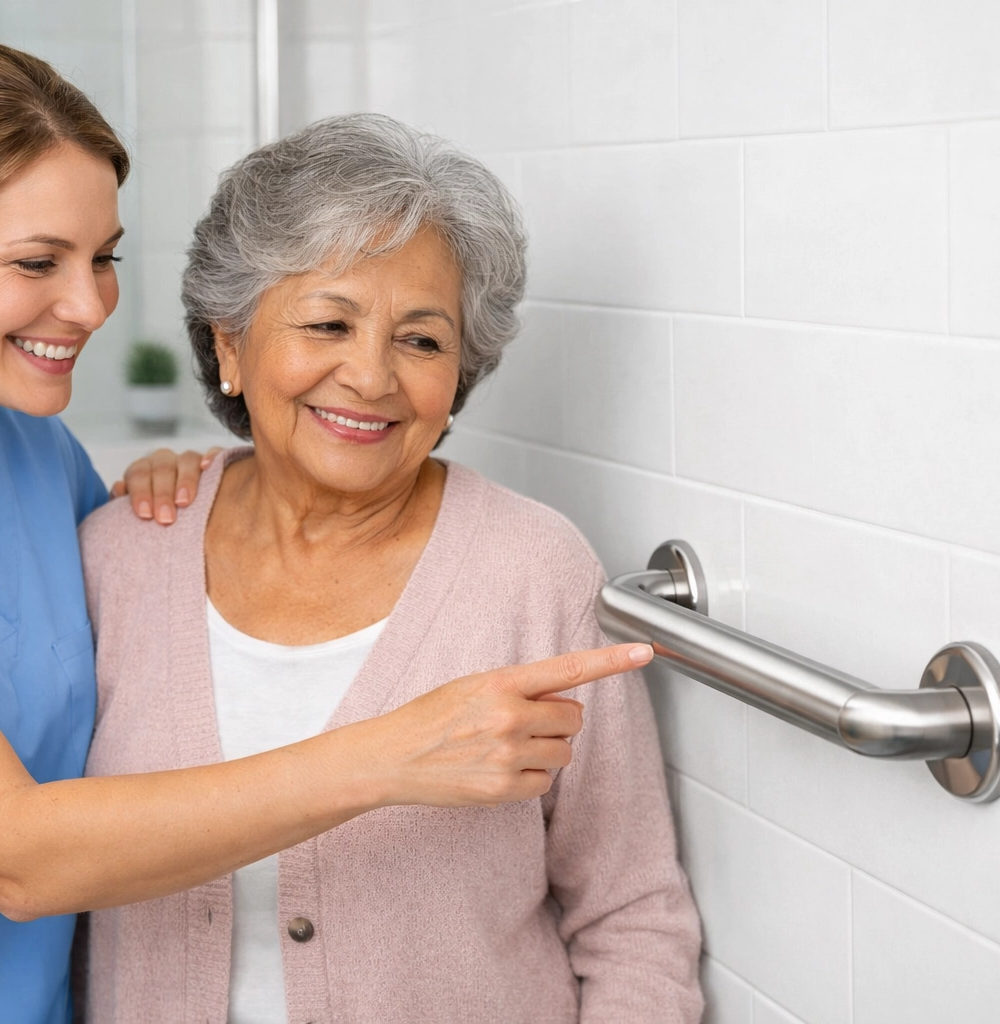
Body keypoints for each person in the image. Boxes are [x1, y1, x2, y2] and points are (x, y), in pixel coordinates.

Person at [0, 45, 650, 1024]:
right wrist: (389, 754)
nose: (89, 303)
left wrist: (185, 477)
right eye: (37, 260)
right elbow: (10, 852)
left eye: (102, 256)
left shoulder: (28, 456)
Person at [79, 114, 703, 1023]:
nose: (371, 377)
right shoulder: (119, 555)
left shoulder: (532, 570)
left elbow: (632, 914)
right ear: (228, 346)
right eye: (329, 322)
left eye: (421, 340)